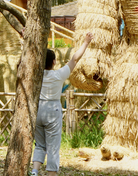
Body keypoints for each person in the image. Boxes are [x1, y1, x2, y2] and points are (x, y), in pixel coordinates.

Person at [30, 32, 93, 176]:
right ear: (53, 62)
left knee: (40, 144)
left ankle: (35, 171)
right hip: (53, 110)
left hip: (38, 109)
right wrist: (86, 42)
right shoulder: (59, 75)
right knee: (52, 146)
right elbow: (75, 59)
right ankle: (51, 174)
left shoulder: (36, 75)